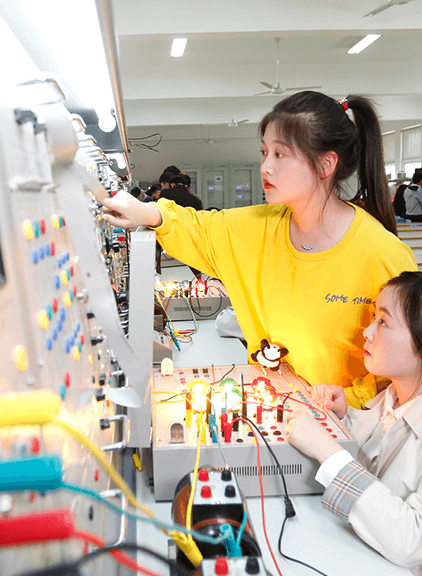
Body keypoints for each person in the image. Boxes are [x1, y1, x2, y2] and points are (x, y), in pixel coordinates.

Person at [101, 91, 417, 408]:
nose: (265, 166)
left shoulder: (382, 255)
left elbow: (406, 373)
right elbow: (199, 228)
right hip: (276, 410)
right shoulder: (258, 228)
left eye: (280, 154)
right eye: (264, 152)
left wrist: (347, 401)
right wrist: (148, 213)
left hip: (350, 425)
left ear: (325, 164)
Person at [285, 270, 422, 573]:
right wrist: (343, 417)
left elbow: (414, 542)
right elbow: (380, 448)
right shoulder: (392, 398)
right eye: (374, 318)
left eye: (383, 322)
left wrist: (327, 450)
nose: (367, 333)